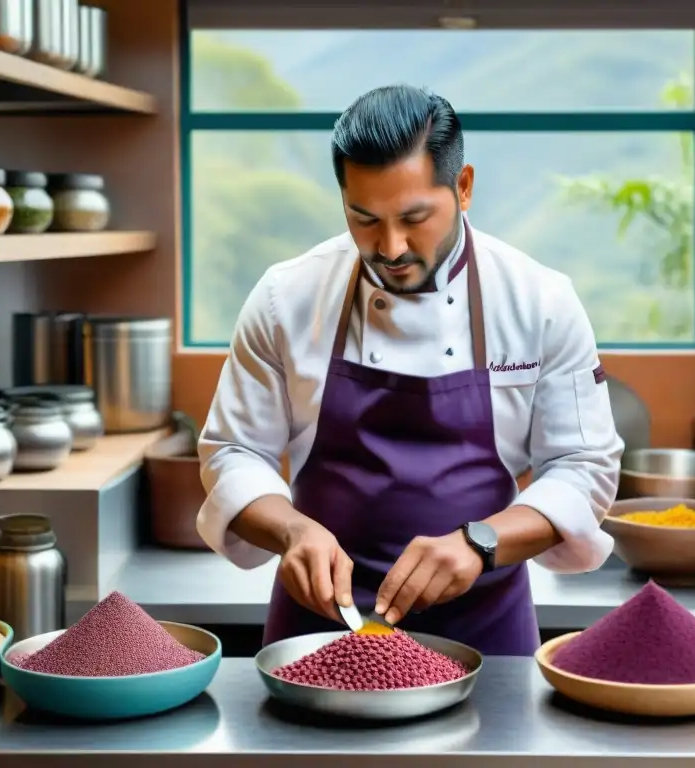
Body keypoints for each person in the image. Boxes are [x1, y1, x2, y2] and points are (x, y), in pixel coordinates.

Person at [196, 84, 624, 656]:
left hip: (485, 627)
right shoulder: (286, 297)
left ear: (463, 187)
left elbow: (583, 465)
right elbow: (232, 452)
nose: (391, 246)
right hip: (319, 627)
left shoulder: (540, 300)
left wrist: (482, 541)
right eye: (363, 218)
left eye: (414, 217)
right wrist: (292, 530)